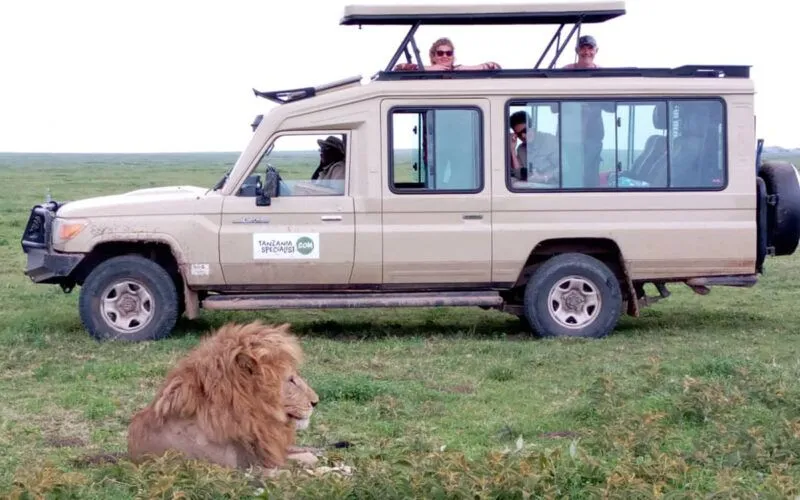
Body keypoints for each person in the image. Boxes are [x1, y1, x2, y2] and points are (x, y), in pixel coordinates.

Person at [508, 110, 559, 185]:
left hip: (551, 185)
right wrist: (512, 149)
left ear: (533, 126)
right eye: (519, 134)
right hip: (533, 185)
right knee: (510, 182)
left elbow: (564, 169)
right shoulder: (521, 148)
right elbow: (518, 172)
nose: (523, 136)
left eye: (525, 131)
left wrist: (544, 177)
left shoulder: (550, 141)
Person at [394, 37, 501, 71]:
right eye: (440, 53)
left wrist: (468, 68)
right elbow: (398, 68)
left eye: (448, 53)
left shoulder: (459, 70)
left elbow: (495, 66)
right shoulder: (424, 73)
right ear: (434, 57)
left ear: (453, 56)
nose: (445, 56)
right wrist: (429, 69)